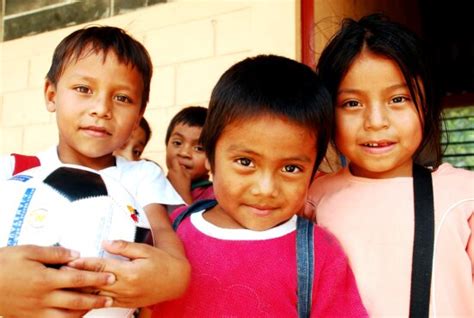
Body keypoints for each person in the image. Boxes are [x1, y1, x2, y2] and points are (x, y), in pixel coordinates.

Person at [149, 54, 367, 317]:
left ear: (313, 170)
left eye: (290, 168)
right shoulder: (172, 235)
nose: (265, 189)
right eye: (245, 162)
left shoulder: (318, 253)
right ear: (210, 154)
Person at [0, 26, 190, 317]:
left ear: (139, 113)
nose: (101, 109)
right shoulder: (13, 172)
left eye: (123, 98)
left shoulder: (141, 176)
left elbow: (167, 245)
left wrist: (171, 278)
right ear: (51, 94)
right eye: (84, 89)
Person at [305, 14, 474, 316]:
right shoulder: (312, 198)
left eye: (398, 99)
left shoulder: (464, 196)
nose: (376, 122)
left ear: (427, 103)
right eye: (352, 103)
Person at [165, 106, 214, 204]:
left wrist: (182, 193)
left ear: (212, 159)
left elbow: (193, 219)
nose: (184, 153)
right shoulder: (153, 184)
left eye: (198, 148)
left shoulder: (214, 196)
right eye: (177, 143)